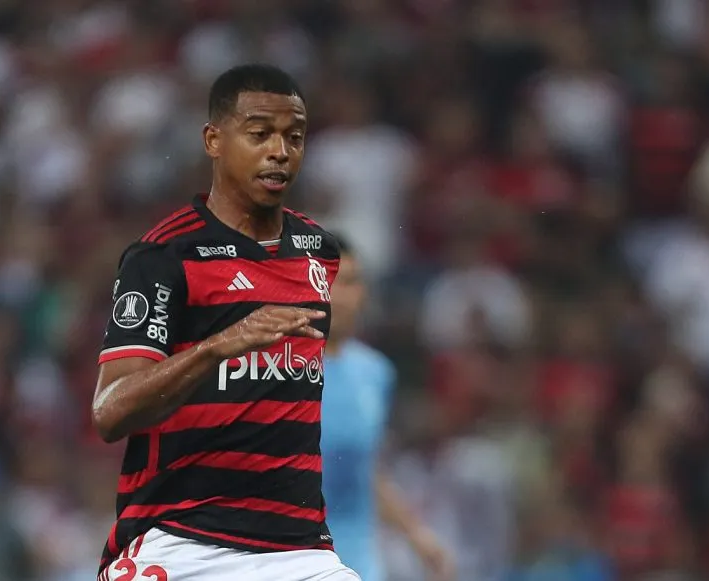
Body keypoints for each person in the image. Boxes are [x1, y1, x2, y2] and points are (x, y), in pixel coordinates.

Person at [92, 64, 358, 580]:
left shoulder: (318, 252)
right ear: (214, 140)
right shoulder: (165, 256)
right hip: (182, 542)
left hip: (299, 552)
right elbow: (110, 412)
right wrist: (219, 345)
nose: (280, 151)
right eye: (260, 134)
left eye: (294, 137)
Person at [320, 235, 454, 581]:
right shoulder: (282, 369)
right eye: (333, 281)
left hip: (360, 559)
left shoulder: (376, 372)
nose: (343, 295)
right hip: (297, 552)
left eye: (352, 282)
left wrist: (417, 535)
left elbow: (366, 470)